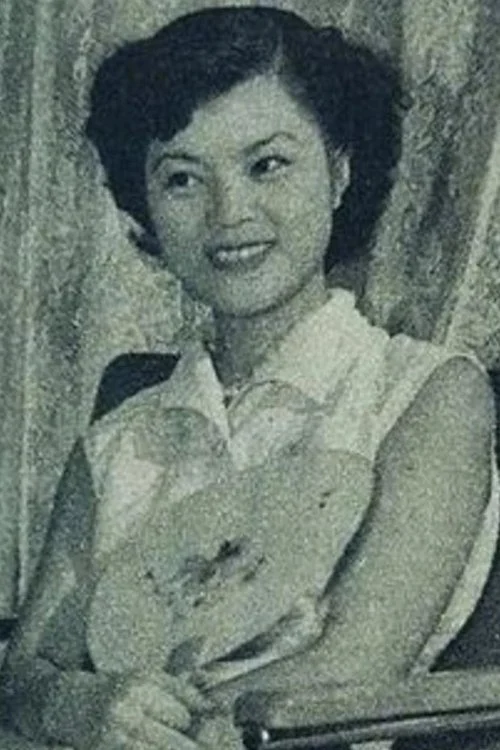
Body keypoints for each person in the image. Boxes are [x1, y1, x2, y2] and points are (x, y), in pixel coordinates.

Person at [0, 6, 496, 750]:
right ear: (144, 209)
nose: (229, 213)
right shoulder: (117, 442)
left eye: (267, 165)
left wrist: (156, 725)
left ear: (339, 173)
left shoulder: (427, 394)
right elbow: (25, 670)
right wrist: (76, 703)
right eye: (182, 178)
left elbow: (356, 666)